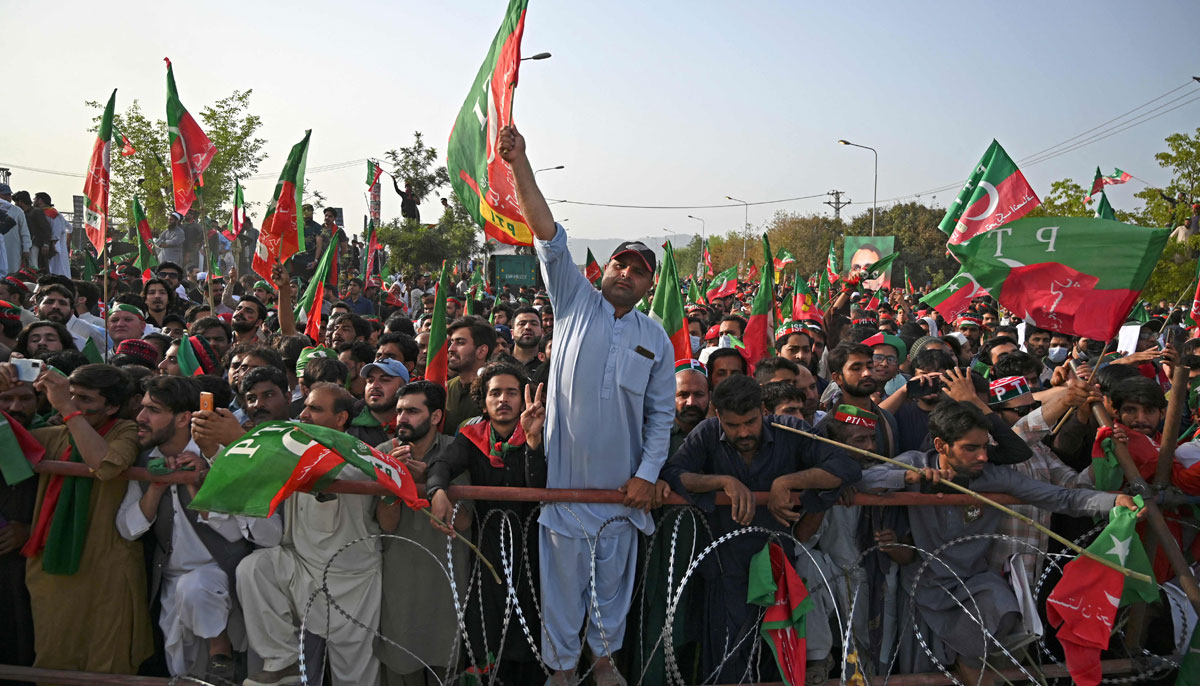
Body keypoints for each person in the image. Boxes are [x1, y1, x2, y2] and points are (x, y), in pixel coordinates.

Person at [502, 124, 674, 686]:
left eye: (639, 270)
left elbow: (660, 416)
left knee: (608, 619)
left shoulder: (657, 337)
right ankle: (558, 672)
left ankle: (602, 666)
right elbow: (546, 231)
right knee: (560, 603)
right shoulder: (574, 301)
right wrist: (521, 162)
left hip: (622, 498)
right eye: (621, 265)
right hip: (566, 495)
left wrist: (647, 476)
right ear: (606, 271)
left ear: (649, 285)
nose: (627, 273)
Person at [860, 400, 1140, 685]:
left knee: (1003, 610)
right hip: (924, 583)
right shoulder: (915, 463)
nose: (982, 457)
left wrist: (1112, 501)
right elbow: (863, 479)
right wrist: (907, 477)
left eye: (984, 447)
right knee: (922, 672)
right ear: (941, 445)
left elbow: (1060, 497)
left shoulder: (995, 477)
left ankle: (967, 662)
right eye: (971, 448)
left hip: (973, 582)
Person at [661, 374, 860, 682]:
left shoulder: (789, 430)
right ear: (717, 415)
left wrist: (789, 481)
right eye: (733, 425)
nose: (743, 433)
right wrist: (722, 481)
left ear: (764, 411)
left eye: (750, 422)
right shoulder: (708, 432)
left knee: (777, 663)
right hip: (726, 569)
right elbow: (674, 472)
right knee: (729, 663)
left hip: (778, 568)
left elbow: (844, 467)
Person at [115, 376, 274, 681]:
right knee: (182, 672)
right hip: (170, 584)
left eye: (153, 410)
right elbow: (127, 529)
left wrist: (195, 483)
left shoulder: (216, 457)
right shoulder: (145, 460)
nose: (140, 417)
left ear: (183, 418)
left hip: (221, 578)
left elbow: (233, 532)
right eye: (143, 408)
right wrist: (157, 487)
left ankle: (221, 649)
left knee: (198, 593)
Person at [238, 382, 383, 686]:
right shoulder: (296, 447)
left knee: (355, 679)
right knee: (254, 568)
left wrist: (238, 440)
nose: (303, 414)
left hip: (352, 586)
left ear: (341, 419)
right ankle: (282, 659)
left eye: (315, 409)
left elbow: (327, 473)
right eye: (304, 406)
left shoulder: (358, 456)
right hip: (302, 572)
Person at [21, 364, 154, 676]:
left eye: (84, 399)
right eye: (70, 396)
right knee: (54, 661)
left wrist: (68, 409)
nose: (74, 403)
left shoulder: (126, 431)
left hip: (107, 571)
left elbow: (105, 464)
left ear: (112, 406)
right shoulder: (55, 435)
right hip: (52, 571)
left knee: (107, 662)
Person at [426, 364, 548, 684]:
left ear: (524, 400)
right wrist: (437, 490)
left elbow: (540, 487)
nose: (503, 399)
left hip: (534, 544)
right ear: (484, 402)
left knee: (530, 626)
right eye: (495, 393)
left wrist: (534, 442)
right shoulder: (472, 436)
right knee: (487, 627)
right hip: (489, 546)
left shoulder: (542, 432)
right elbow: (443, 464)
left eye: (511, 392)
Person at [371, 379, 469, 683]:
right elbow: (387, 522)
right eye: (400, 411)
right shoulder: (383, 453)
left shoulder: (457, 452)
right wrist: (393, 482)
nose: (402, 418)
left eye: (412, 411)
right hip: (400, 583)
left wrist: (431, 483)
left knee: (447, 666)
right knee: (403, 665)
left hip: (447, 581)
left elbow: (463, 521)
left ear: (436, 416)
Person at [442, 317, 495, 434]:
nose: (451, 349)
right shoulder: (445, 389)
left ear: (481, 351)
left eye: (460, 343)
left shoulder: (495, 391)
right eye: (451, 342)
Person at [347, 358, 409, 447]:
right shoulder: (347, 423)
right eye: (370, 381)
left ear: (403, 387)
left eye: (385, 380)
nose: (374, 386)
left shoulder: (416, 425)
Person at [0, 184, 28, 275]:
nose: (8, 198)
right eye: (5, 195)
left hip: (13, 249)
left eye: (9, 195)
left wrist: (26, 248)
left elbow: (24, 231)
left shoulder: (17, 211)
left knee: (12, 274)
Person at [511, 305, 545, 372]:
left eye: (534, 324)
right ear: (512, 333)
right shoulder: (500, 362)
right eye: (522, 324)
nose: (528, 327)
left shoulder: (550, 364)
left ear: (542, 332)